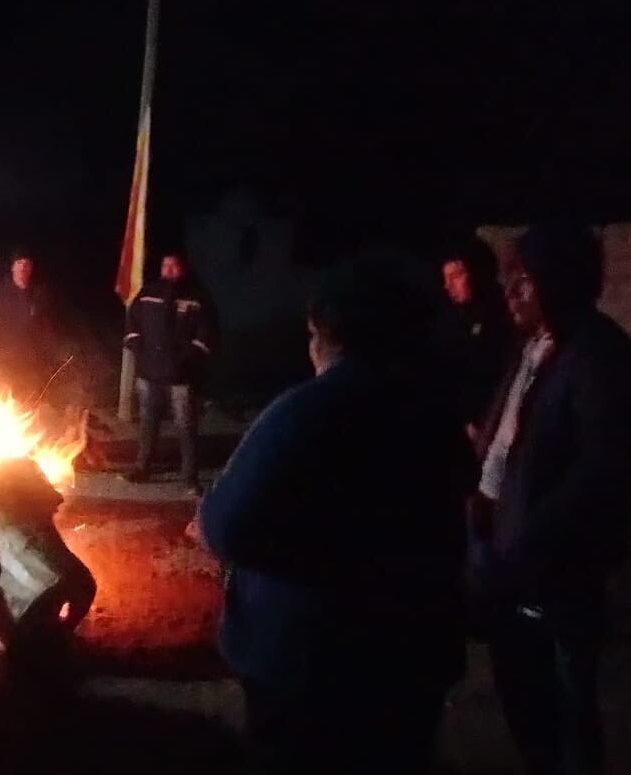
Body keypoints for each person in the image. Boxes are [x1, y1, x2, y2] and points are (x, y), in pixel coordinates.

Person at [201, 258, 477, 775]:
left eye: (311, 334)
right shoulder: (432, 412)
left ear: (330, 336)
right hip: (411, 658)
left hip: (309, 663)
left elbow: (226, 524)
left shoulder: (304, 412)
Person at [471, 224, 631, 775]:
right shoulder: (535, 345)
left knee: (565, 705)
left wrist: (529, 541)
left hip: (556, 570)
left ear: (563, 281)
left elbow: (604, 472)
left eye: (524, 280)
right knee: (525, 697)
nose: (510, 292)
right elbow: (519, 436)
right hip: (510, 560)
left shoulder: (599, 356)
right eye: (509, 279)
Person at [123, 253, 218, 493]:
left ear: (183, 268)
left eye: (174, 266)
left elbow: (205, 334)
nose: (169, 270)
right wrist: (138, 349)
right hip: (149, 373)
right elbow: (132, 324)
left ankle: (189, 478)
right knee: (148, 422)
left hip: (181, 376)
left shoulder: (196, 297)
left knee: (185, 426)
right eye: (165, 265)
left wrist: (188, 359)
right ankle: (143, 467)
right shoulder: (147, 293)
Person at [442, 239, 515, 433]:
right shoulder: (457, 318)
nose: (448, 286)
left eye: (456, 276)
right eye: (446, 278)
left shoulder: (504, 315)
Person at [0, 251, 56, 400]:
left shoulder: (39, 295)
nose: (23, 268)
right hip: (5, 362)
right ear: (12, 267)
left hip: (31, 364)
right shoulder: (0, 294)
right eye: (19, 263)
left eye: (27, 264)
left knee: (29, 403)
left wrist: (46, 358)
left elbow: (46, 329)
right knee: (3, 400)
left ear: (31, 269)